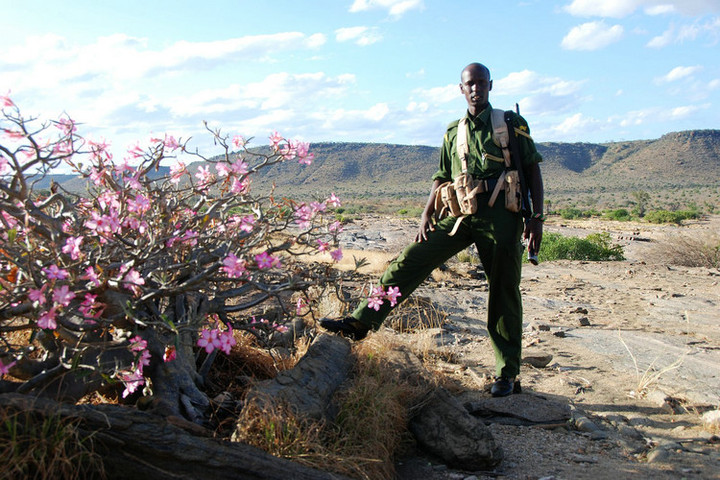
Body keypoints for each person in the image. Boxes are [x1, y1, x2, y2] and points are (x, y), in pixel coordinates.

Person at [321, 62, 544, 397]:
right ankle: (361, 322)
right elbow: (442, 177)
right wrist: (426, 213)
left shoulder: (510, 124)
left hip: (502, 218)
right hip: (461, 216)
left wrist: (536, 219)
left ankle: (507, 374)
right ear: (461, 88)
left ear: (490, 85)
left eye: (481, 83)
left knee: (503, 293)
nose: (475, 88)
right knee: (411, 259)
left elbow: (531, 169)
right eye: (470, 83)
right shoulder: (454, 131)